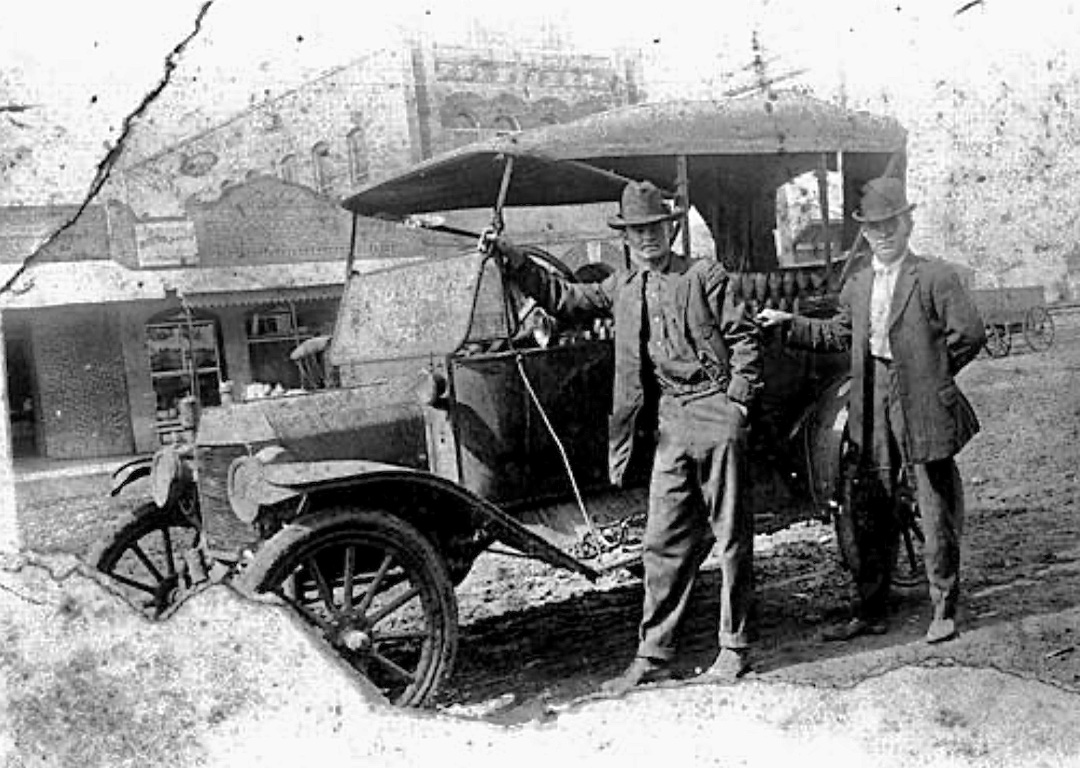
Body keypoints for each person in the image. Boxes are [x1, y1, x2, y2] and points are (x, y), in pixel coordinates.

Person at [490, 180, 764, 692]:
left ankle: (735, 647)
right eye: (637, 231)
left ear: (670, 230)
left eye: (654, 228)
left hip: (715, 407)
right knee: (661, 542)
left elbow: (744, 336)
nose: (647, 238)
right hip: (672, 420)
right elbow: (564, 298)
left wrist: (738, 403)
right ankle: (654, 655)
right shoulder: (625, 285)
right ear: (626, 237)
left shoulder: (703, 275)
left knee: (730, 538)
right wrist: (516, 260)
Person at [758, 177, 985, 644]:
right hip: (871, 394)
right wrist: (789, 323)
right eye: (874, 226)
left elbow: (969, 334)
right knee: (869, 501)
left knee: (933, 504)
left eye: (890, 224)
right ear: (864, 231)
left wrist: (932, 374)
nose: (883, 234)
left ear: (907, 224)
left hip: (920, 397)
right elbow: (840, 334)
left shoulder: (934, 277)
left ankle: (943, 607)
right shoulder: (859, 284)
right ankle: (871, 608)